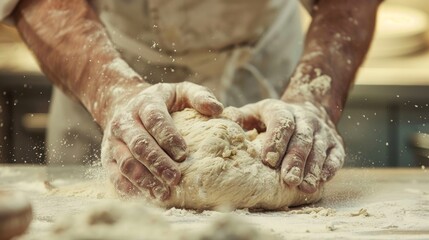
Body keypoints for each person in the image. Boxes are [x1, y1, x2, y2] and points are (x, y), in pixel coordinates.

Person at [0, 0, 382, 200]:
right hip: (103, 71)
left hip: (265, 73)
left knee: (289, 161)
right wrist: (113, 93)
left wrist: (311, 96)